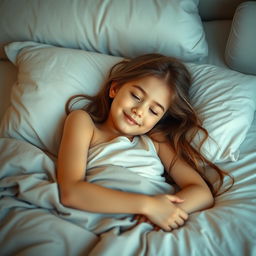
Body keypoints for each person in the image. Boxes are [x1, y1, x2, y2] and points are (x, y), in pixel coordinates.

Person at [57, 53, 232, 232]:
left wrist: (164, 212)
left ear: (160, 119)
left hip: (150, 225)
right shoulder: (84, 122)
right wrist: (148, 206)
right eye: (136, 96)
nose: (139, 111)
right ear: (115, 89)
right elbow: (71, 192)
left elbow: (201, 193)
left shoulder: (156, 140)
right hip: (107, 213)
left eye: (154, 111)